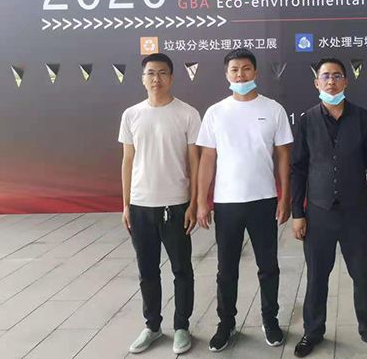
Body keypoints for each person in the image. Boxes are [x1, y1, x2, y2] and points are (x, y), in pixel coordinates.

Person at [290, 57, 367, 357]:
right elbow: (298, 169)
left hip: (355, 213)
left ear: (346, 81)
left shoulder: (363, 119)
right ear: (316, 83)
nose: (331, 81)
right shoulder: (307, 121)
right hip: (318, 213)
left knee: (362, 275)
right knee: (316, 277)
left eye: (337, 76)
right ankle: (312, 331)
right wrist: (298, 212)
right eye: (326, 76)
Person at [196, 48, 293, 352]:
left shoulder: (273, 109)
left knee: (268, 266)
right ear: (227, 74)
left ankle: (270, 320)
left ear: (256, 72)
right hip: (227, 203)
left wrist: (285, 197)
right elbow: (207, 159)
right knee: (226, 269)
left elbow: (283, 156)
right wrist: (201, 201)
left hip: (264, 199)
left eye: (246, 68)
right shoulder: (215, 112)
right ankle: (226, 324)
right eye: (235, 70)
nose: (241, 75)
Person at [119, 53, 200, 355]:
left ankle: (181, 326)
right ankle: (152, 326)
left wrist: (194, 203)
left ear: (172, 77)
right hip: (141, 206)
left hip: (176, 204)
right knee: (147, 270)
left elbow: (195, 162)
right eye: (150, 73)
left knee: (182, 270)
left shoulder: (187, 114)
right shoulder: (131, 115)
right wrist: (126, 204)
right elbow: (127, 161)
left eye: (162, 73)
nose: (156, 78)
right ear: (142, 78)